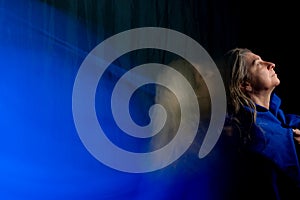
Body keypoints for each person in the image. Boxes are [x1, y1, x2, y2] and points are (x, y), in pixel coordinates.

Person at [219, 47, 300, 200]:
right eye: (258, 63)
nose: (271, 64)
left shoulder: (276, 116)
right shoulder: (253, 132)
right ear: (245, 84)